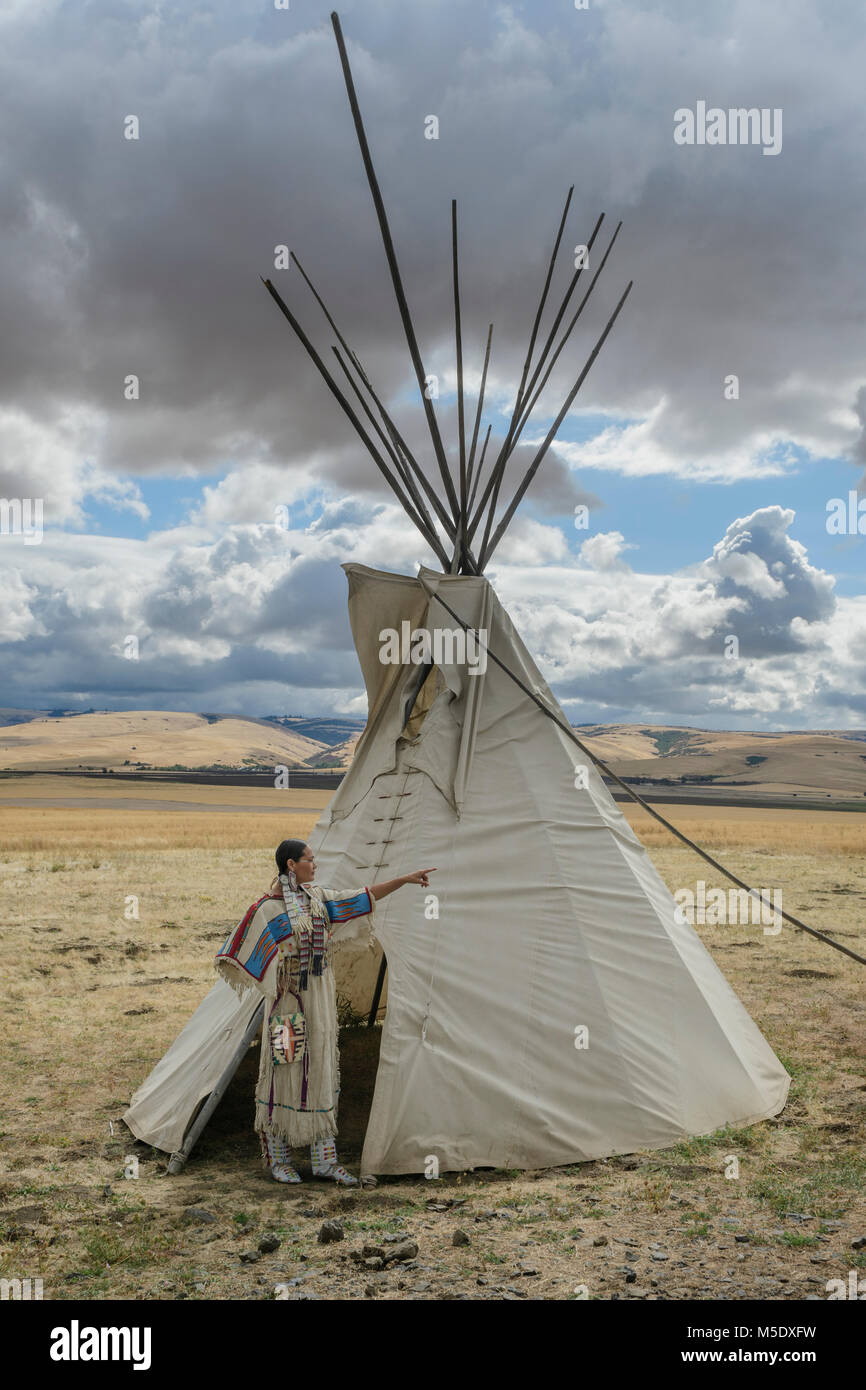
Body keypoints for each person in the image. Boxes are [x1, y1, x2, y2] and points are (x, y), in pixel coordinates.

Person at [215, 839, 435, 1185]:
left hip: (318, 999)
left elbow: (361, 897)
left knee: (320, 1070)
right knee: (283, 1071)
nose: (314, 866)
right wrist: (276, 976)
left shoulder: (317, 901)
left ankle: (324, 1160)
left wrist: (404, 880)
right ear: (291, 865)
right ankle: (278, 1158)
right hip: (286, 1005)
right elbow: (237, 952)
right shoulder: (266, 910)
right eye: (309, 860)